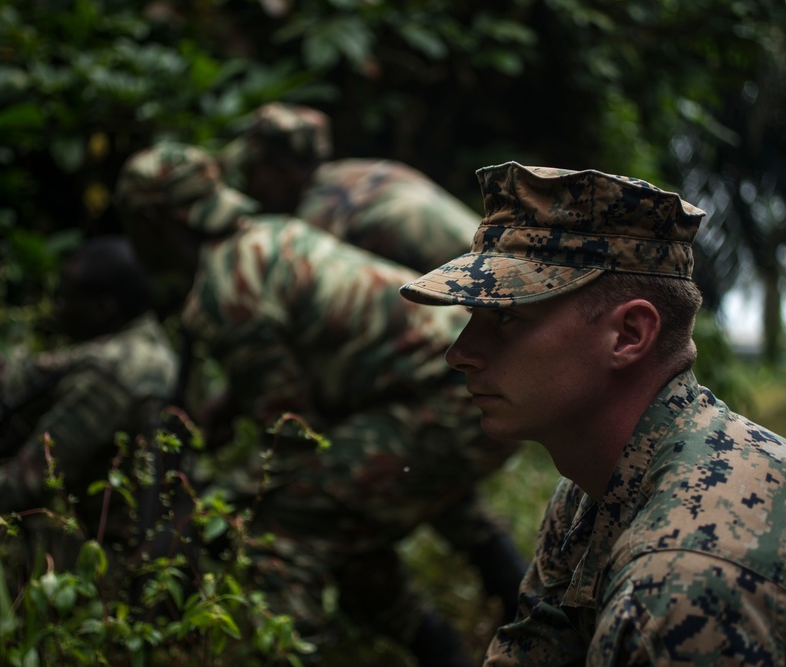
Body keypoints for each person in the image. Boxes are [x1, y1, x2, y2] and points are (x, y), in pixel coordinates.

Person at [398, 161, 786, 666]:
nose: (460, 352)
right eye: (472, 317)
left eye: (505, 317)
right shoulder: (593, 491)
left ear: (629, 335)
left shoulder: (682, 586)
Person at [114, 141, 525, 666]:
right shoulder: (267, 236)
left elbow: (290, 442)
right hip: (463, 391)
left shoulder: (226, 290)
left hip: (454, 401)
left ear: (152, 219)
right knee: (340, 523)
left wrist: (203, 511)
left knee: (279, 531)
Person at [0, 236, 178, 554]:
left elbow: (17, 486)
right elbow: (5, 378)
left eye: (67, 299)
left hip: (111, 556)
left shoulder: (108, 374)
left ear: (103, 309)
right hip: (120, 542)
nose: (57, 308)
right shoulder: (146, 347)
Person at [218, 101, 480, 273]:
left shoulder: (322, 219)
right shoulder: (368, 170)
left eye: (253, 171)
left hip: (483, 293)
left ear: (282, 171)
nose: (249, 185)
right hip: (504, 261)